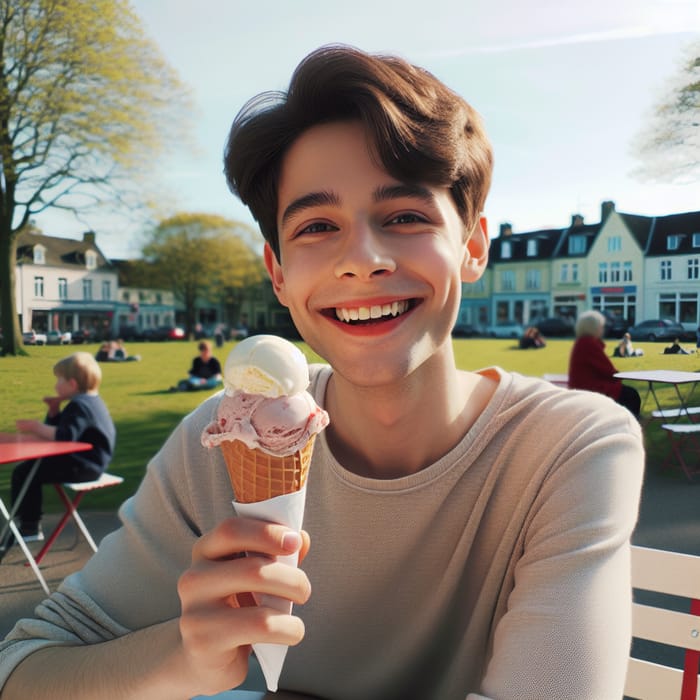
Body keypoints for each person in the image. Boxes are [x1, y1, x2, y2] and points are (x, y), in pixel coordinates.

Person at [0, 46, 644, 699]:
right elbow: (23, 667)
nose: (360, 260)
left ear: (473, 246)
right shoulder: (222, 437)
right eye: (316, 225)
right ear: (277, 272)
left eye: (404, 217)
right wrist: (183, 658)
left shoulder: (571, 447)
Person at [1, 352, 115, 550]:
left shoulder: (79, 406)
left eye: (59, 380)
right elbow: (61, 433)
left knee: (26, 472)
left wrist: (36, 427)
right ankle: (28, 525)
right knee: (29, 470)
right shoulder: (90, 402)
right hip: (88, 463)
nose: (56, 385)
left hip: (83, 465)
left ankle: (29, 527)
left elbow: (64, 436)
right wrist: (53, 412)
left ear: (72, 384)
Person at [569, 310, 642, 418]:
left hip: (584, 386)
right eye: (601, 326)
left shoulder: (582, 342)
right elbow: (607, 370)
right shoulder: (588, 344)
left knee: (628, 394)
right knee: (632, 395)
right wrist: (618, 375)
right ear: (593, 327)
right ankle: (628, 424)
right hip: (592, 389)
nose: (603, 329)